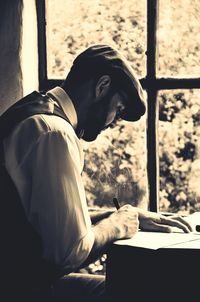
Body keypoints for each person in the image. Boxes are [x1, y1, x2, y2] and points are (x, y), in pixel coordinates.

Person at [0, 44, 192, 302]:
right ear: (102, 86)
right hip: (20, 290)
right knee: (148, 293)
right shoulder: (54, 132)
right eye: (119, 110)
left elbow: (45, 219)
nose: (113, 122)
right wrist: (117, 225)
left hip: (17, 279)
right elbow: (69, 252)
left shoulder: (35, 112)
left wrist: (120, 213)